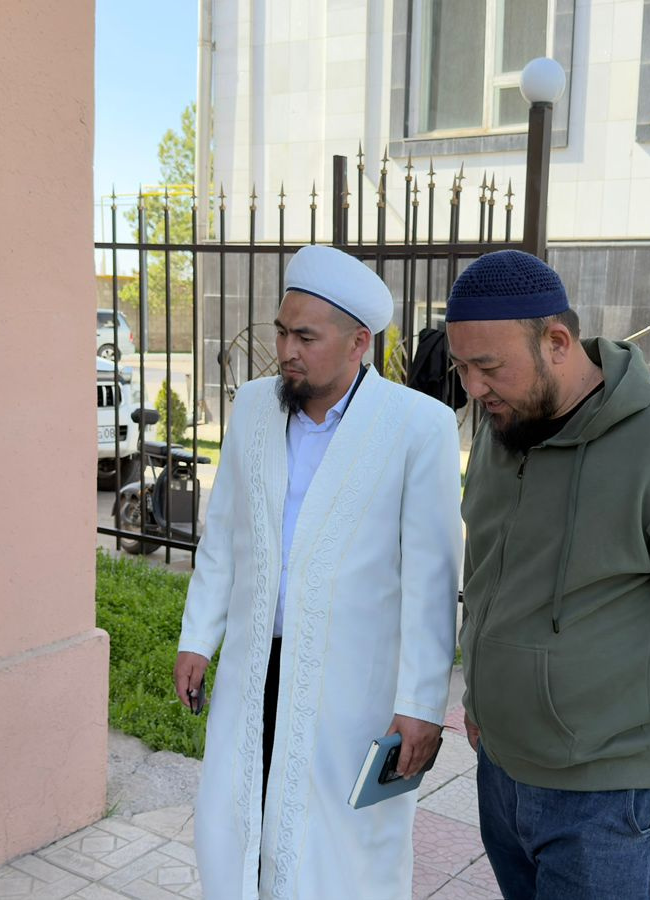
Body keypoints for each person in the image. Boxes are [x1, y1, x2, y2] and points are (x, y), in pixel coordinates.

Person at [447, 250, 650, 899]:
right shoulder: (502, 425)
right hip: (503, 769)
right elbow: (485, 568)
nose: (474, 389)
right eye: (462, 368)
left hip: (611, 797)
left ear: (558, 342)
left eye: (489, 367)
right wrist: (480, 699)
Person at [173, 244, 463, 898]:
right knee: (238, 818)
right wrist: (198, 637)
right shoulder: (254, 406)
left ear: (359, 342)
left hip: (354, 683)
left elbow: (432, 579)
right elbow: (224, 534)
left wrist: (421, 704)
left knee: (339, 844)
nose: (287, 350)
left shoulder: (419, 426)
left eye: (306, 337)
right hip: (254, 666)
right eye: (282, 332)